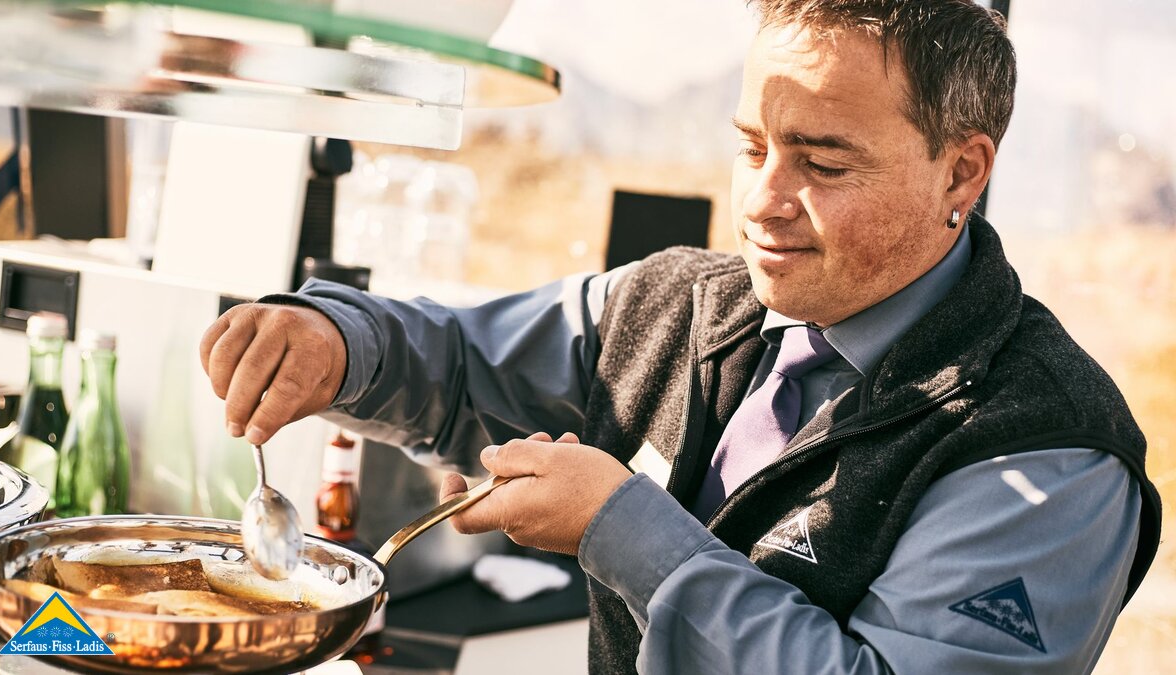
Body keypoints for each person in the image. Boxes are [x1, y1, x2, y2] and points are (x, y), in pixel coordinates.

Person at [201, 1, 1162, 672]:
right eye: (752, 146)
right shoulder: (681, 302)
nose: (762, 202)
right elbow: (456, 365)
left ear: (962, 174)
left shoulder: (1045, 449)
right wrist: (335, 339)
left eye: (823, 163)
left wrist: (624, 529)